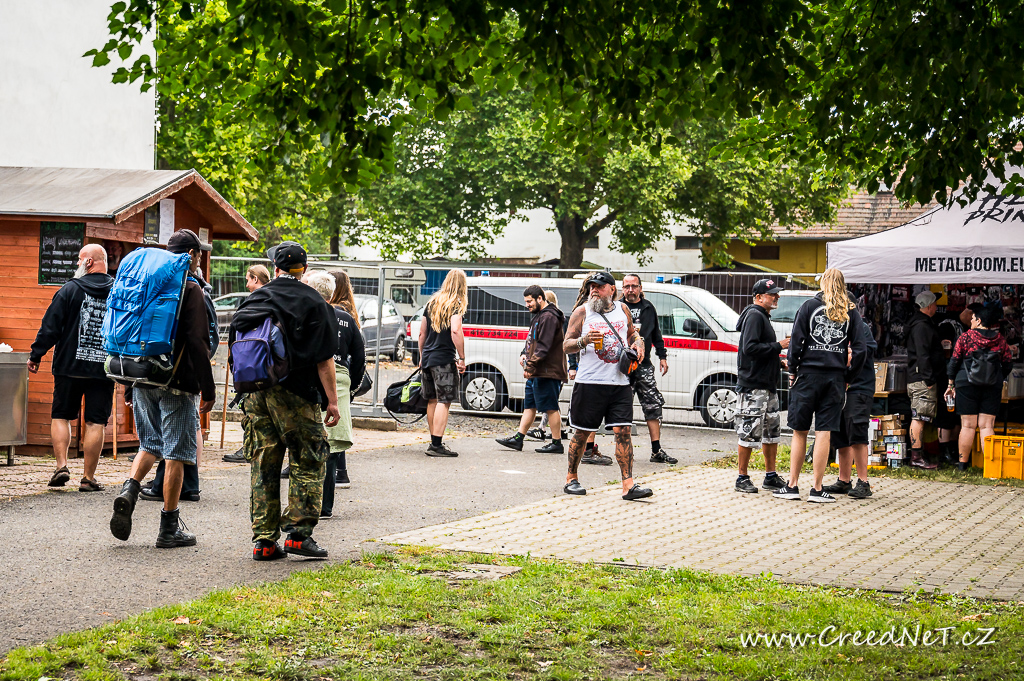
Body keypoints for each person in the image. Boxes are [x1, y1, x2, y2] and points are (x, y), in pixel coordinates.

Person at [231, 242, 341, 560]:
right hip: (296, 394)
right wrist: (332, 402)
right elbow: (324, 361)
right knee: (309, 459)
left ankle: (264, 542)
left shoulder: (256, 298)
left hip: (255, 392)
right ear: (303, 269)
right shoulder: (314, 302)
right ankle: (298, 535)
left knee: (263, 465)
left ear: (276, 269)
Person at [109, 230, 216, 547]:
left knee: (149, 444)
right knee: (176, 455)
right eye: (199, 255)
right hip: (177, 383)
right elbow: (198, 342)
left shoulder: (148, 282)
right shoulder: (190, 288)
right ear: (192, 255)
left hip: (143, 377)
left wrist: (131, 385)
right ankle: (169, 528)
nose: (199, 260)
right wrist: (208, 389)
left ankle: (130, 489)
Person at [774, 268, 867, 504]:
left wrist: (793, 370)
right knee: (824, 432)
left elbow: (796, 341)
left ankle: (792, 485)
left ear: (822, 283)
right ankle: (817, 489)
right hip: (835, 378)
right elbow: (861, 349)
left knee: (800, 431)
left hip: (808, 375)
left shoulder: (808, 307)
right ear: (843, 285)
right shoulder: (850, 311)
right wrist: (849, 376)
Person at [28, 244, 115, 492]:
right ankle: (88, 478)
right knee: (96, 422)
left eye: (79, 259)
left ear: (89, 262)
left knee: (61, 416)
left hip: (69, 366)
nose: (77, 263)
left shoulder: (69, 289)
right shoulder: (118, 291)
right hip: (103, 368)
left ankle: (62, 466)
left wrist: (36, 354)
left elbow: (50, 326)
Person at [561, 271, 652, 501]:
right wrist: (584, 340)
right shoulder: (582, 312)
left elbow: (632, 334)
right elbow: (566, 345)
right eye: (591, 286)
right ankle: (571, 478)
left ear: (612, 289)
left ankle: (628, 486)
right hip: (589, 383)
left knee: (624, 432)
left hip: (619, 382)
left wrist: (639, 344)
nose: (594, 290)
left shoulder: (623, 309)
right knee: (582, 433)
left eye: (599, 286)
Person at [142, 266, 218, 501]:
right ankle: (186, 485)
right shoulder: (194, 289)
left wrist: (205, 384)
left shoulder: (181, 289)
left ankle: (152, 488)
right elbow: (204, 340)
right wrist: (205, 383)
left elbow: (203, 340)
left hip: (163, 373)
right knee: (184, 431)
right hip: (182, 374)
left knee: (171, 438)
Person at [305, 270, 364, 518]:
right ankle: (325, 506)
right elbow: (359, 356)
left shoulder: (306, 316)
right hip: (339, 381)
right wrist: (351, 386)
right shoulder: (346, 319)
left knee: (309, 443)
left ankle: (307, 503)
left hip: (310, 379)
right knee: (331, 445)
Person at [733, 278, 790, 493]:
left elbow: (760, 350)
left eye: (777, 293)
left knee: (771, 432)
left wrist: (777, 362)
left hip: (767, 385)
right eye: (772, 294)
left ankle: (770, 475)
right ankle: (742, 477)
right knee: (749, 431)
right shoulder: (755, 316)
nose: (777, 297)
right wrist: (778, 346)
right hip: (753, 386)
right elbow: (750, 348)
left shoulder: (762, 316)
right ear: (758, 297)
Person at [496, 285, 568, 453]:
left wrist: (530, 365)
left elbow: (543, 346)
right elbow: (532, 341)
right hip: (538, 370)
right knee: (530, 405)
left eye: (529, 301)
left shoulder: (549, 317)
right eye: (526, 301)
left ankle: (556, 443)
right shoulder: (539, 316)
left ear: (540, 299)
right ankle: (518, 439)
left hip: (547, 371)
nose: (527, 305)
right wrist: (524, 354)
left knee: (551, 407)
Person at [946, 304, 1013, 472]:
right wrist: (997, 376)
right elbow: (1007, 364)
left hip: (966, 383)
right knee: (987, 426)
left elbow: (954, 362)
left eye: (973, 318)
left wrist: (950, 384)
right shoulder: (1000, 340)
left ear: (979, 320)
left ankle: (962, 465)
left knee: (967, 426)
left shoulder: (965, 338)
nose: (971, 320)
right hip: (992, 385)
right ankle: (990, 467)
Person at [621, 274, 678, 464]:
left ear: (640, 288)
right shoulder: (617, 308)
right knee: (622, 408)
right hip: (623, 366)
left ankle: (656, 450)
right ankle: (624, 450)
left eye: (634, 286)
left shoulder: (648, 307)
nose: (630, 290)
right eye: (627, 286)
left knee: (653, 406)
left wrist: (662, 356)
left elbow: (656, 334)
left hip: (644, 366)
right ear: (622, 289)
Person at [823, 312, 877, 499]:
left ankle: (863, 481)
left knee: (857, 432)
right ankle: (844, 480)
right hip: (838, 386)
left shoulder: (861, 327)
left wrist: (849, 354)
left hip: (859, 387)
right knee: (840, 435)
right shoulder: (834, 326)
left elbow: (867, 350)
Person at [223, 264, 272, 463]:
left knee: (251, 409)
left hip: (249, 361)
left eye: (248, 279)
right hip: (270, 363)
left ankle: (249, 448)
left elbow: (236, 328)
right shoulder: (276, 299)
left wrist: (232, 361)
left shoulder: (251, 302)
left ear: (255, 279)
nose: (246, 284)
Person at [418, 269, 468, 457]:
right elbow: (455, 330)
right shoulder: (456, 304)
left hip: (428, 358)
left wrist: (422, 356)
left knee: (432, 399)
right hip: (444, 359)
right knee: (444, 400)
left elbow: (422, 333)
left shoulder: (432, 302)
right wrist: (462, 357)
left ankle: (434, 441)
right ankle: (437, 444)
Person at [324, 269, 363, 490]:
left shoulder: (334, 311)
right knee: (339, 425)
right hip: (345, 373)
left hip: (335, 371)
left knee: (331, 424)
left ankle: (338, 473)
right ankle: (342, 472)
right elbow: (359, 351)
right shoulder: (350, 311)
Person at [905, 290, 948, 469]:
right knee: (919, 417)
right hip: (922, 379)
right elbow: (922, 354)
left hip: (921, 377)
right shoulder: (921, 326)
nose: (936, 307)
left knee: (923, 416)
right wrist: (929, 379)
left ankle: (921, 454)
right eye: (935, 304)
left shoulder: (921, 324)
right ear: (929, 306)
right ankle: (916, 457)